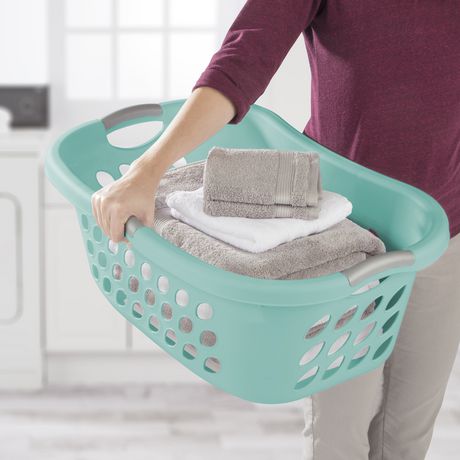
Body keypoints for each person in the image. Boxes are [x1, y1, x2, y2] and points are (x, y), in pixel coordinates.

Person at [91, 1, 460, 458]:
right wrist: (148, 169)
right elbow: (243, 59)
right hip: (346, 241)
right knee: (338, 439)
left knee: (406, 438)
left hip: (445, 232)